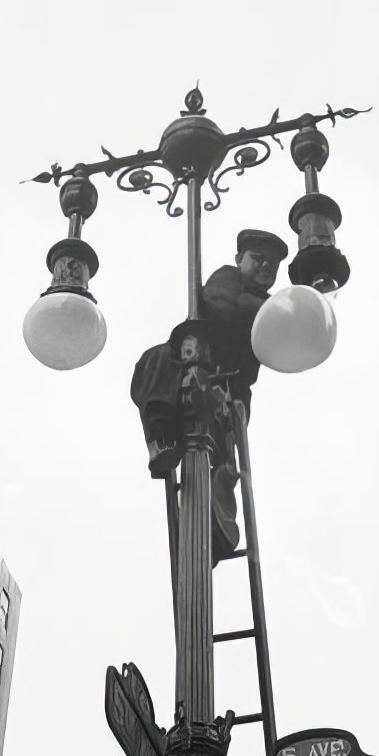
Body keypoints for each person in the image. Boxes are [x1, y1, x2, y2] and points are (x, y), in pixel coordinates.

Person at [130, 229, 289, 561]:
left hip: (230, 392)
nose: (265, 267)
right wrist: (264, 310)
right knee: (155, 359)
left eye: (271, 264)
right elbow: (221, 304)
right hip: (192, 373)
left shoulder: (270, 306)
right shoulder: (229, 279)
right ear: (238, 259)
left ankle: (215, 532)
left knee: (225, 465)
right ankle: (162, 442)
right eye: (257, 259)